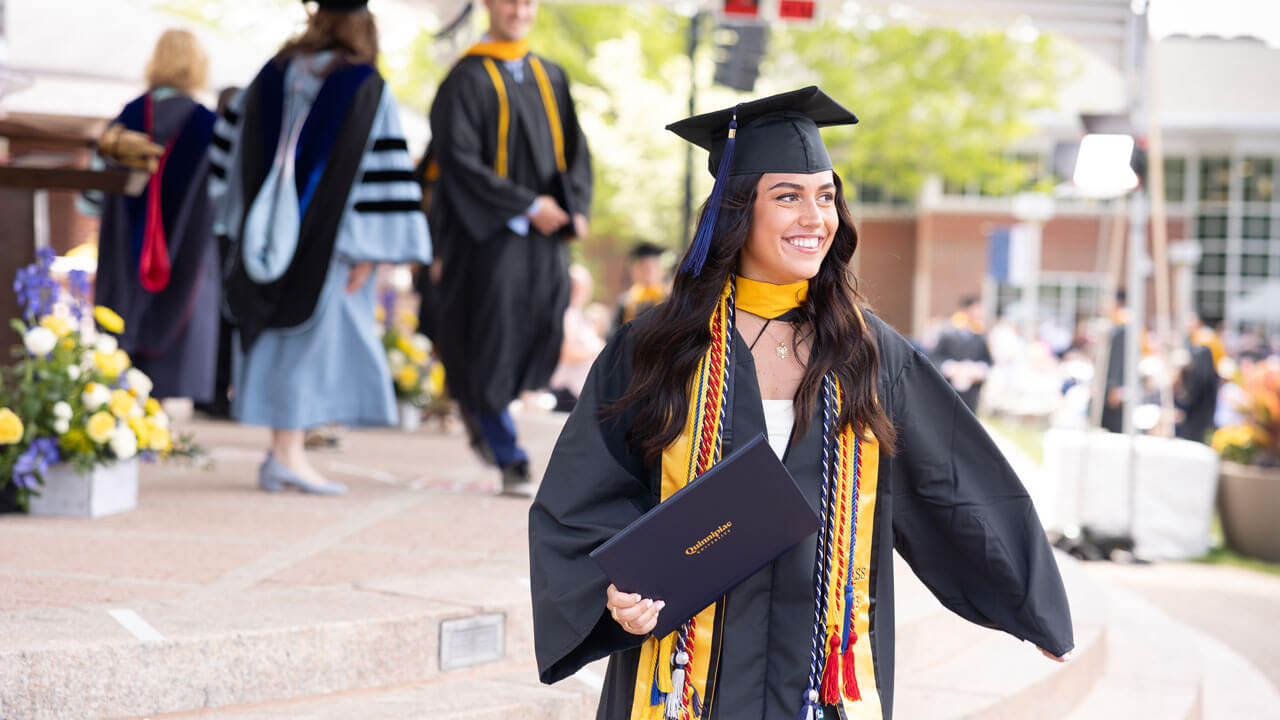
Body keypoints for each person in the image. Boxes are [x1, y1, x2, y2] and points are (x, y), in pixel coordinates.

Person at [528, 87, 1073, 720]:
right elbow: (582, 495)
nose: (814, 217)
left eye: (825, 196)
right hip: (685, 680)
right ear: (737, 212)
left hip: (819, 680)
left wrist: (1032, 605)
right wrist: (613, 589)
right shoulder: (658, 348)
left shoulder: (868, 354)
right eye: (788, 196)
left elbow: (954, 482)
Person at [210, 0, 431, 495]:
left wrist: (244, 229)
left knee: (281, 343)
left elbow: (226, 153)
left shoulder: (269, 75)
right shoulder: (365, 86)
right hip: (331, 248)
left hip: (261, 241)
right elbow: (384, 170)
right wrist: (369, 247)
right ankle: (287, 456)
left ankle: (282, 452)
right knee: (305, 350)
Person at [426, 0, 593, 492]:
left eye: (527, 1)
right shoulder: (465, 78)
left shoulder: (550, 74)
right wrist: (525, 206)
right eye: (508, 0)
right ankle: (506, 450)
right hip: (489, 241)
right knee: (489, 341)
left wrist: (576, 207)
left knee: (538, 330)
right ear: (487, 6)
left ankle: (483, 416)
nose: (519, 9)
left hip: (546, 242)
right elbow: (456, 162)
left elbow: (577, 150)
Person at [83, 29, 220, 404]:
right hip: (188, 256)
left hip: (124, 250)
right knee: (180, 308)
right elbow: (225, 204)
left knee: (121, 327)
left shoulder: (124, 121)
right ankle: (156, 424)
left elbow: (91, 199)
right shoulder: (211, 127)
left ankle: (120, 416)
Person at [549, 264, 606, 411]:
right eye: (574, 286)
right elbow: (567, 353)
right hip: (566, 395)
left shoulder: (580, 317)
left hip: (578, 397)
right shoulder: (567, 315)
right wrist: (598, 350)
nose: (578, 291)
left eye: (582, 287)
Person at [929, 294, 992, 414]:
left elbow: (987, 360)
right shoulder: (948, 333)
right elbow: (935, 358)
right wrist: (951, 367)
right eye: (976, 309)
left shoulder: (980, 336)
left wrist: (979, 370)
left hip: (972, 390)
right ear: (966, 310)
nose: (979, 313)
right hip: (950, 388)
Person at [612, 240, 669, 335]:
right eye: (644, 268)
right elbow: (614, 336)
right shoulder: (625, 302)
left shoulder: (669, 300)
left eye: (653, 267)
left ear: (661, 271)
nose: (649, 273)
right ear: (635, 271)